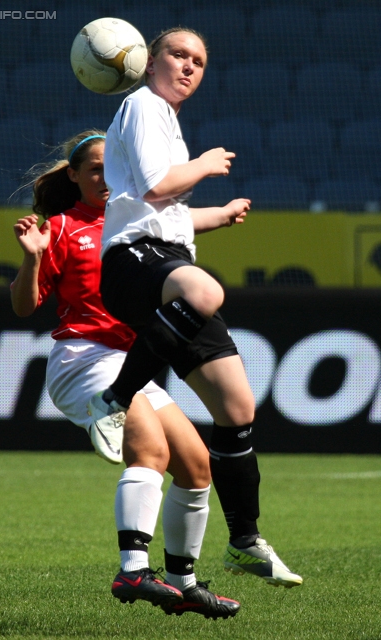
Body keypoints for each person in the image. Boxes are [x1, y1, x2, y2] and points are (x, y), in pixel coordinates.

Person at [87, 27, 302, 589]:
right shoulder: (142, 104)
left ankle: (245, 541)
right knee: (205, 291)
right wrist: (205, 164)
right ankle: (116, 401)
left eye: (199, 61)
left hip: (162, 256)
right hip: (134, 263)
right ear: (149, 61)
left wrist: (217, 214)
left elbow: (162, 210)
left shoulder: (163, 119)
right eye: (178, 55)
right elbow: (158, 189)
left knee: (236, 406)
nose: (188, 66)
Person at [10, 130, 241, 620]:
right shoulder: (63, 228)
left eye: (111, 168)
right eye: (93, 169)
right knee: (151, 451)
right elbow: (23, 306)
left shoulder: (134, 221)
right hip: (84, 360)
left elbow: (184, 221)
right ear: (73, 176)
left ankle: (184, 582)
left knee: (198, 465)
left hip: (127, 362)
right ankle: (133, 569)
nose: (104, 178)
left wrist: (223, 215)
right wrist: (31, 258)